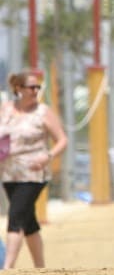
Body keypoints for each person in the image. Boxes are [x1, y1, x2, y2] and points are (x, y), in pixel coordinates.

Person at [0, 70, 67, 269]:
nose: (35, 91)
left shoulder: (43, 112)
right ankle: (40, 267)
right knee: (28, 222)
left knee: (16, 216)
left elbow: (62, 139)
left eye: (37, 87)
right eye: (31, 87)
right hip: (9, 172)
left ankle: (7, 267)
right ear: (18, 89)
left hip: (33, 173)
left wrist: (48, 156)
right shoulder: (5, 109)